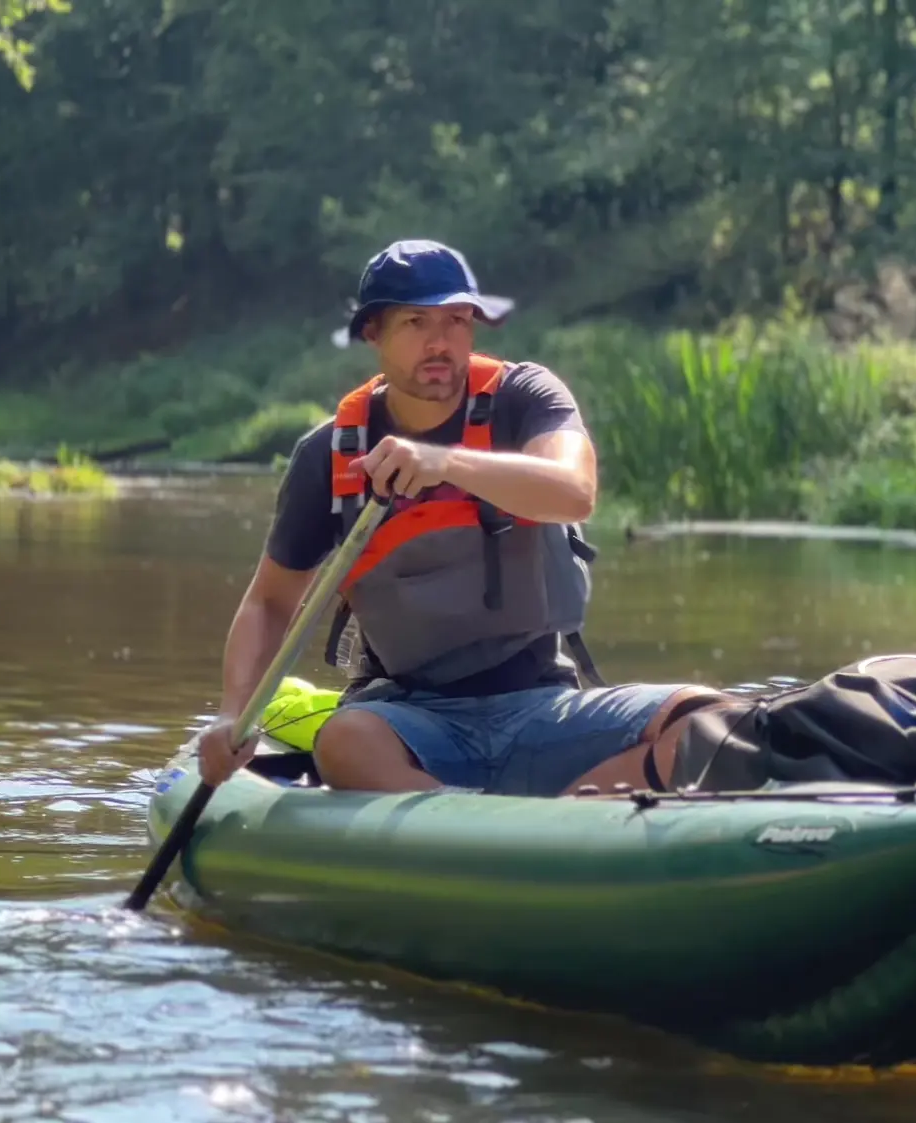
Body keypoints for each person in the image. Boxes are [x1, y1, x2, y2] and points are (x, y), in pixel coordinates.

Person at [192, 240, 723, 795]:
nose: (440, 342)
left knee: (710, 720)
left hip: (542, 705)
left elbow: (575, 491)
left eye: (457, 320)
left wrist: (445, 463)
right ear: (373, 332)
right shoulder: (328, 454)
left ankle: (565, 812)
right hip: (407, 719)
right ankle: (465, 815)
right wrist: (233, 715)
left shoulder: (527, 398)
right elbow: (270, 602)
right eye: (416, 322)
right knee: (343, 742)